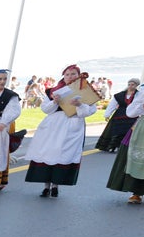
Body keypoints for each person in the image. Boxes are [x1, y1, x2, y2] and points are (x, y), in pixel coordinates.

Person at [24, 64, 97, 198]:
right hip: (53, 125)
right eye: (67, 74)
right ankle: (46, 186)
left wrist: (80, 105)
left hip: (72, 125)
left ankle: (56, 185)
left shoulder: (87, 91)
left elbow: (90, 111)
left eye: (73, 74)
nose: (70, 77)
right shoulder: (52, 91)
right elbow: (45, 109)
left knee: (63, 153)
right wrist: (55, 102)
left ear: (79, 75)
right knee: (47, 152)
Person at [106, 93, 144, 204]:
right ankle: (137, 192)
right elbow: (130, 113)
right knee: (139, 161)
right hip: (142, 128)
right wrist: (141, 107)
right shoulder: (143, 92)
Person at [95, 78, 139, 152]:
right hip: (119, 116)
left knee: (128, 132)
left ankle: (125, 147)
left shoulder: (139, 95)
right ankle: (112, 146)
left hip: (132, 116)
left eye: (133, 85)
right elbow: (112, 105)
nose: (130, 86)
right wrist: (107, 115)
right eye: (129, 84)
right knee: (116, 132)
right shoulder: (120, 95)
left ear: (136, 85)